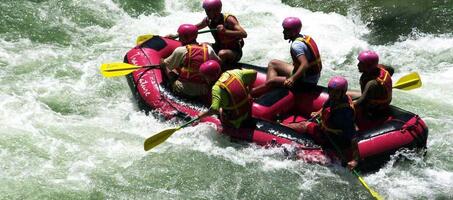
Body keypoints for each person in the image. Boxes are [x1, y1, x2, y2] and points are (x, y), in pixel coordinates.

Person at [284, 76, 358, 169]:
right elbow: (325, 107)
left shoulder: (344, 113)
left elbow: (353, 136)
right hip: (327, 131)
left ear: (343, 92)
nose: (332, 94)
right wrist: (318, 112)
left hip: (331, 138)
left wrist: (355, 160)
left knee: (304, 125)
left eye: (336, 92)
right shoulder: (335, 99)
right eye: (331, 90)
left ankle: (279, 128)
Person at [253, 17, 322, 95]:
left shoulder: (296, 46)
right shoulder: (304, 37)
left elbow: (305, 64)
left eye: (286, 30)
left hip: (306, 83)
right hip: (311, 76)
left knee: (271, 81)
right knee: (273, 63)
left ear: (293, 32)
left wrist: (292, 79)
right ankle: (270, 90)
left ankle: (252, 93)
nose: (283, 32)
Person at [160, 24, 221, 98]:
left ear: (186, 37)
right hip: (203, 91)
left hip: (183, 90)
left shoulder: (181, 50)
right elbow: (218, 62)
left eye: (180, 37)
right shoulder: (208, 49)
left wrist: (162, 61)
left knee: (164, 64)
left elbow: (168, 64)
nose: (179, 39)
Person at [195, 0, 247, 68]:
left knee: (222, 53)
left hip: (234, 51)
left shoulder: (228, 19)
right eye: (206, 10)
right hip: (219, 46)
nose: (206, 13)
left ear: (217, 10)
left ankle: (218, 72)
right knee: (203, 45)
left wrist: (226, 31)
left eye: (208, 10)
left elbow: (244, 34)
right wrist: (181, 32)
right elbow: (196, 27)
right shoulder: (208, 20)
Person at [349, 50, 393, 119]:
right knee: (347, 94)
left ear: (368, 66)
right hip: (373, 95)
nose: (358, 65)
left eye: (361, 63)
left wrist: (345, 106)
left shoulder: (372, 84)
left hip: (376, 110)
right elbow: (391, 70)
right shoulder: (380, 67)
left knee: (347, 106)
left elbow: (360, 103)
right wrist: (385, 87)